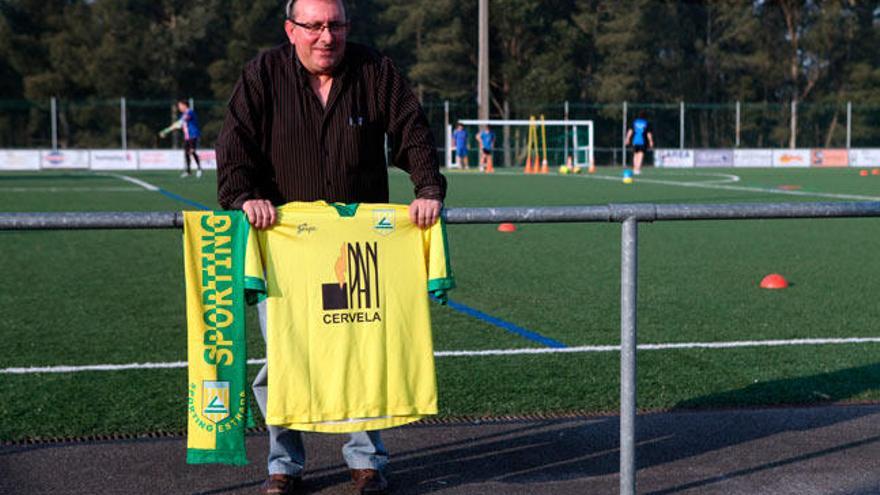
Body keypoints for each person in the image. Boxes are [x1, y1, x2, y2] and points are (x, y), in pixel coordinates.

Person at [215, 0, 446, 494]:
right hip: (286, 250)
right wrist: (242, 196)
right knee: (287, 355)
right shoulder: (262, 74)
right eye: (314, 26)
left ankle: (366, 462)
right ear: (291, 29)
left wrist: (427, 189)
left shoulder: (375, 70)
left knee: (361, 347)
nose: (326, 36)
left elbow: (413, 129)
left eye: (335, 25)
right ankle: (284, 465)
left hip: (361, 248)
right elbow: (235, 144)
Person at [176, 99, 203, 178]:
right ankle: (188, 171)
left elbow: (185, 119)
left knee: (192, 151)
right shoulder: (182, 115)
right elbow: (180, 124)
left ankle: (199, 169)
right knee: (186, 153)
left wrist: (179, 123)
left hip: (193, 135)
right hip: (187, 137)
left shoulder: (190, 112)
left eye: (180, 106)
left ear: (184, 105)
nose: (179, 108)